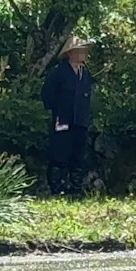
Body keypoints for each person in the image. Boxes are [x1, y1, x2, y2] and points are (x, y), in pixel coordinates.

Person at [41, 36, 95, 196]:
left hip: (81, 119)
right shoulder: (58, 72)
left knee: (78, 152)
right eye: (80, 50)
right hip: (63, 118)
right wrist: (57, 110)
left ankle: (75, 187)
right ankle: (57, 187)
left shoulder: (85, 73)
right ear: (71, 53)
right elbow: (47, 93)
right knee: (60, 151)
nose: (84, 54)